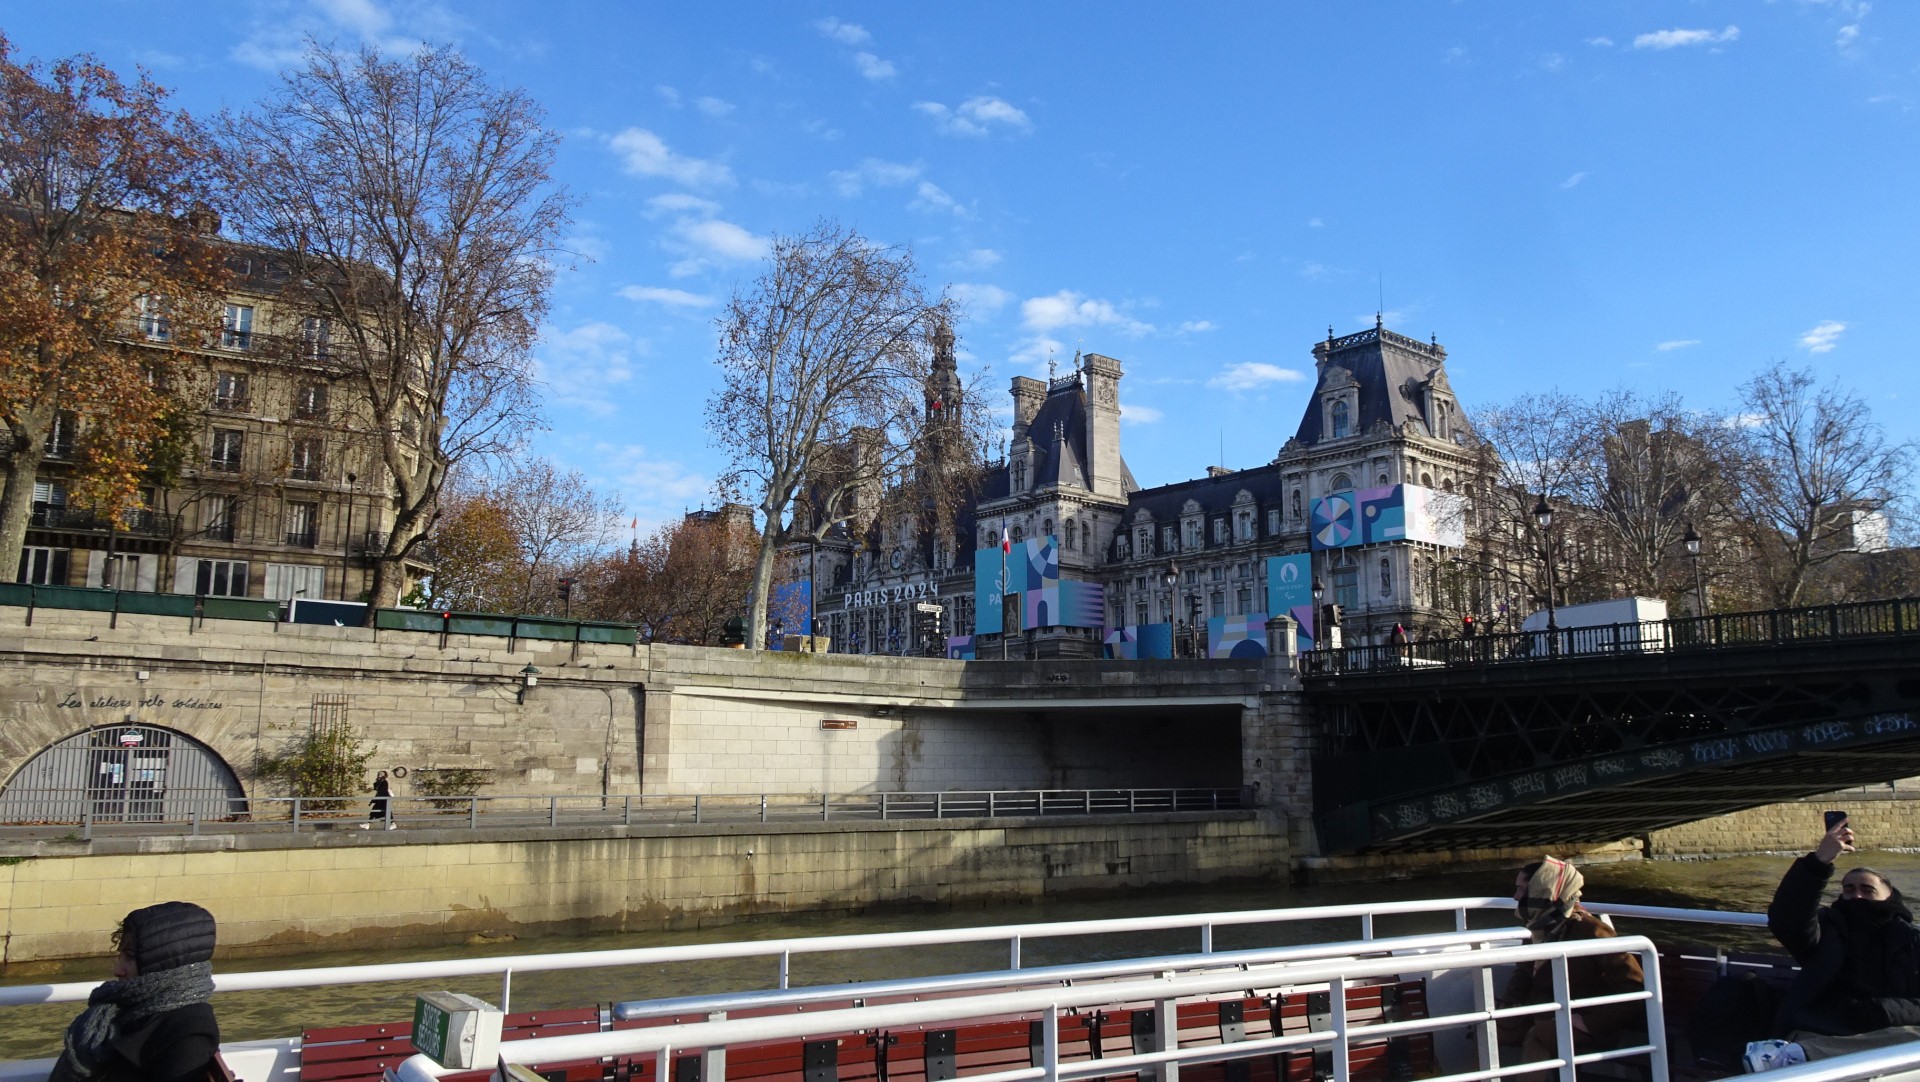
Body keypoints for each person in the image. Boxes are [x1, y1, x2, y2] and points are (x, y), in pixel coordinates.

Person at [1744, 815, 1920, 1071]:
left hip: (1888, 1032)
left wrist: (1884, 1010)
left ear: (1889, 897)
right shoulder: (1829, 931)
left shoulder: (1912, 941)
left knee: (1910, 1040)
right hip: (1825, 1029)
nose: (1856, 895)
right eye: (1849, 889)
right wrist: (1820, 862)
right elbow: (1787, 918)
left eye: (1867, 890)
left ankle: (1797, 1056)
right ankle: (1795, 1056)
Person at [1499, 857, 1647, 1081]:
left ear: (1542, 889)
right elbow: (1523, 974)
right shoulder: (1539, 928)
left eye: (1521, 889)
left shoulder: (1591, 930)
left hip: (1588, 1021)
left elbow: (1636, 987)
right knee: (1486, 1029)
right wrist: (1506, 1008)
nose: (1516, 897)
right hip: (1545, 1013)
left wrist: (1587, 1021)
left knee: (1539, 1035)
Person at [49, 901, 220, 1082]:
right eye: (120, 956)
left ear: (165, 962)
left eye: (130, 957)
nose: (117, 970)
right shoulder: (128, 1009)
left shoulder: (189, 1031)